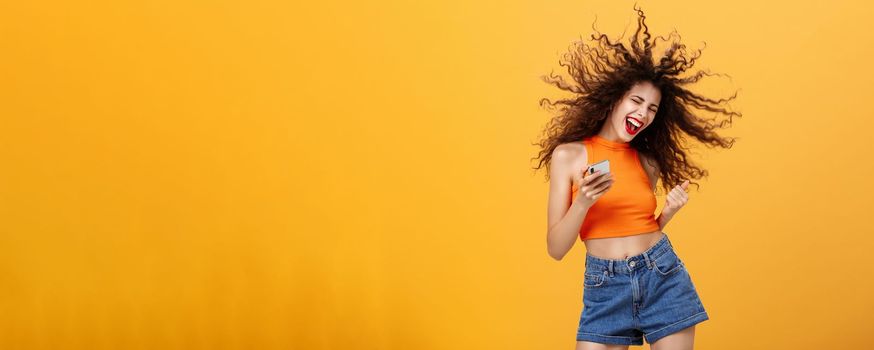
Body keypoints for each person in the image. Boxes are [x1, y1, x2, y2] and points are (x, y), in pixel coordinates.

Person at [532, 5, 741, 350]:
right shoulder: (568, 156)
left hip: (662, 276)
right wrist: (583, 201)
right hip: (604, 286)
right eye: (636, 101)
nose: (643, 114)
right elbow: (556, 249)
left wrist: (667, 215)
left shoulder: (647, 161)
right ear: (615, 98)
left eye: (652, 109)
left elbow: (640, 229)